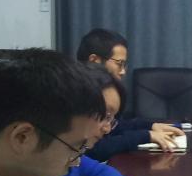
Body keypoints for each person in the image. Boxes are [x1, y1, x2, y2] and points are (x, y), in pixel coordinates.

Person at [24, 64, 165, 176]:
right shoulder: (44, 150)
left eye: (111, 119)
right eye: (104, 116)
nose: (107, 128)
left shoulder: (72, 149)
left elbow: (95, 169)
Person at [76, 28, 184, 158]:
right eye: (119, 64)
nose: (123, 72)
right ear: (94, 60)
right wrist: (145, 136)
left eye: (124, 65)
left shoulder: (101, 90)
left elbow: (116, 127)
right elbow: (93, 149)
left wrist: (151, 126)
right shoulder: (76, 93)